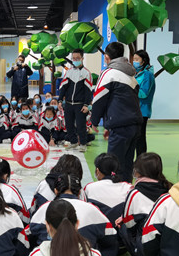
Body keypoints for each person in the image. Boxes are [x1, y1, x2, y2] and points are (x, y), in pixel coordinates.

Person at [27, 174, 117, 256]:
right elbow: (111, 242)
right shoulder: (93, 210)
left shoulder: (43, 209)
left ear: (55, 191)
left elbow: (28, 239)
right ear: (79, 192)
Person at [91, 42, 142, 183]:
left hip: (120, 126)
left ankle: (114, 192)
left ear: (107, 57)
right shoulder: (131, 75)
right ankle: (126, 190)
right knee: (127, 164)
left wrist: (94, 121)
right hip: (135, 125)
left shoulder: (108, 73)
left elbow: (99, 99)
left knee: (113, 165)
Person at [120, 152, 172, 256]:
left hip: (148, 247)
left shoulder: (135, 193)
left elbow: (128, 223)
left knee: (123, 226)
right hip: (169, 246)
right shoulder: (170, 189)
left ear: (137, 172)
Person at [58, 49, 93, 152]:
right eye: (73, 58)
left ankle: (83, 143)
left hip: (80, 104)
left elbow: (88, 91)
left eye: (77, 58)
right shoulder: (68, 72)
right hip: (68, 103)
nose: (75, 60)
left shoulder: (86, 73)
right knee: (69, 125)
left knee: (81, 125)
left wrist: (86, 104)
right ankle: (73, 142)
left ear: (82, 58)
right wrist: (60, 100)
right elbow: (63, 87)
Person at [84, 153, 132, 226]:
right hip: (122, 229)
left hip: (98, 229)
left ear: (97, 171)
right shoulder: (128, 187)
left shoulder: (89, 188)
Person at [133, 50, 156, 157]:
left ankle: (141, 161)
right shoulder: (137, 73)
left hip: (142, 111)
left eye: (137, 59)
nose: (134, 61)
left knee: (140, 138)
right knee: (136, 138)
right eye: (133, 59)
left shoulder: (147, 75)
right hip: (136, 110)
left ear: (143, 61)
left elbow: (143, 93)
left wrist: (131, 88)